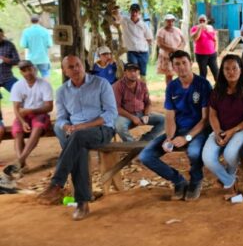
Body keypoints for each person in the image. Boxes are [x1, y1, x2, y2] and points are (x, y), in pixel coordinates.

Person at [39, 55, 117, 220]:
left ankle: (57, 184)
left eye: (78, 65)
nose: (75, 69)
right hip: (75, 132)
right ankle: (82, 202)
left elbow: (111, 113)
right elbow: (61, 118)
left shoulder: (101, 84)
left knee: (77, 137)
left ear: (83, 66)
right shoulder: (62, 91)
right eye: (71, 67)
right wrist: (66, 125)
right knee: (77, 145)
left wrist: (83, 127)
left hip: (101, 129)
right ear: (65, 71)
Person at [139, 50, 211, 201]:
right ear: (172, 67)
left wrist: (187, 138)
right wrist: (170, 138)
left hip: (198, 131)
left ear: (191, 64)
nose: (181, 67)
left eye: (184, 63)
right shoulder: (172, 86)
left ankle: (196, 180)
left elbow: (205, 119)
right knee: (146, 156)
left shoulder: (203, 84)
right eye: (177, 64)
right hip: (177, 130)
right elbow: (170, 115)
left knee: (194, 152)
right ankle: (178, 180)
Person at [202, 54, 243, 194]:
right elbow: (212, 115)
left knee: (229, 154)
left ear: (241, 70)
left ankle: (229, 174)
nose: (231, 72)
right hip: (221, 130)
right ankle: (229, 180)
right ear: (222, 71)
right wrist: (217, 131)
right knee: (207, 158)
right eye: (227, 69)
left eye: (234, 68)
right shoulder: (217, 91)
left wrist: (233, 131)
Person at [10, 60, 53, 168]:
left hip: (40, 113)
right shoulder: (17, 86)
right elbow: (16, 108)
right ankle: (22, 164)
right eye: (24, 71)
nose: (28, 73)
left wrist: (31, 111)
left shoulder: (44, 84)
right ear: (21, 73)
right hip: (23, 116)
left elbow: (49, 107)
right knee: (18, 131)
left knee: (37, 127)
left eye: (29, 69)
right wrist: (23, 121)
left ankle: (20, 161)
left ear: (34, 69)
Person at [112, 63, 165, 143]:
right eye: (130, 71)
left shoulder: (142, 85)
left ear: (139, 72)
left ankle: (144, 141)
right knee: (119, 126)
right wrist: (132, 117)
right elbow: (117, 108)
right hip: (125, 115)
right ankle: (131, 145)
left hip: (141, 113)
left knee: (164, 120)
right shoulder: (118, 86)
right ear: (125, 73)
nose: (133, 73)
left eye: (135, 71)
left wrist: (146, 114)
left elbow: (148, 103)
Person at [120, 3, 153, 77]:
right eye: (132, 11)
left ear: (139, 12)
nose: (134, 13)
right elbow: (117, 18)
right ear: (130, 12)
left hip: (143, 52)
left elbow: (149, 38)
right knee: (132, 71)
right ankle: (133, 87)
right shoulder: (125, 21)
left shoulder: (143, 25)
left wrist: (142, 44)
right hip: (131, 52)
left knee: (143, 73)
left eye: (136, 11)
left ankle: (143, 87)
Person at [156, 13, 185, 84]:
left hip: (178, 55)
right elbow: (160, 44)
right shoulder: (161, 31)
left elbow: (183, 41)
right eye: (168, 21)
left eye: (172, 21)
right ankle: (169, 91)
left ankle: (180, 90)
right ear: (165, 21)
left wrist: (179, 49)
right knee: (169, 75)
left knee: (180, 73)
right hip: (166, 56)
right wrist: (172, 49)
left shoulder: (178, 30)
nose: (170, 22)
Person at [190, 14, 219, 81]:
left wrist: (215, 50)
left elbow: (215, 39)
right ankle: (203, 88)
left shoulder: (210, 27)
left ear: (206, 21)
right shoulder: (194, 28)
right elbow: (195, 38)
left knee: (216, 71)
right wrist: (199, 29)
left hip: (212, 54)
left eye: (203, 20)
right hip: (201, 54)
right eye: (200, 21)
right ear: (198, 21)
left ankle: (219, 89)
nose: (202, 22)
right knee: (203, 72)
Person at [0, 28, 20, 92]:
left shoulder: (9, 45)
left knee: (21, 93)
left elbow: (17, 61)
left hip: (7, 77)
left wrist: (5, 59)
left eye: (1, 36)